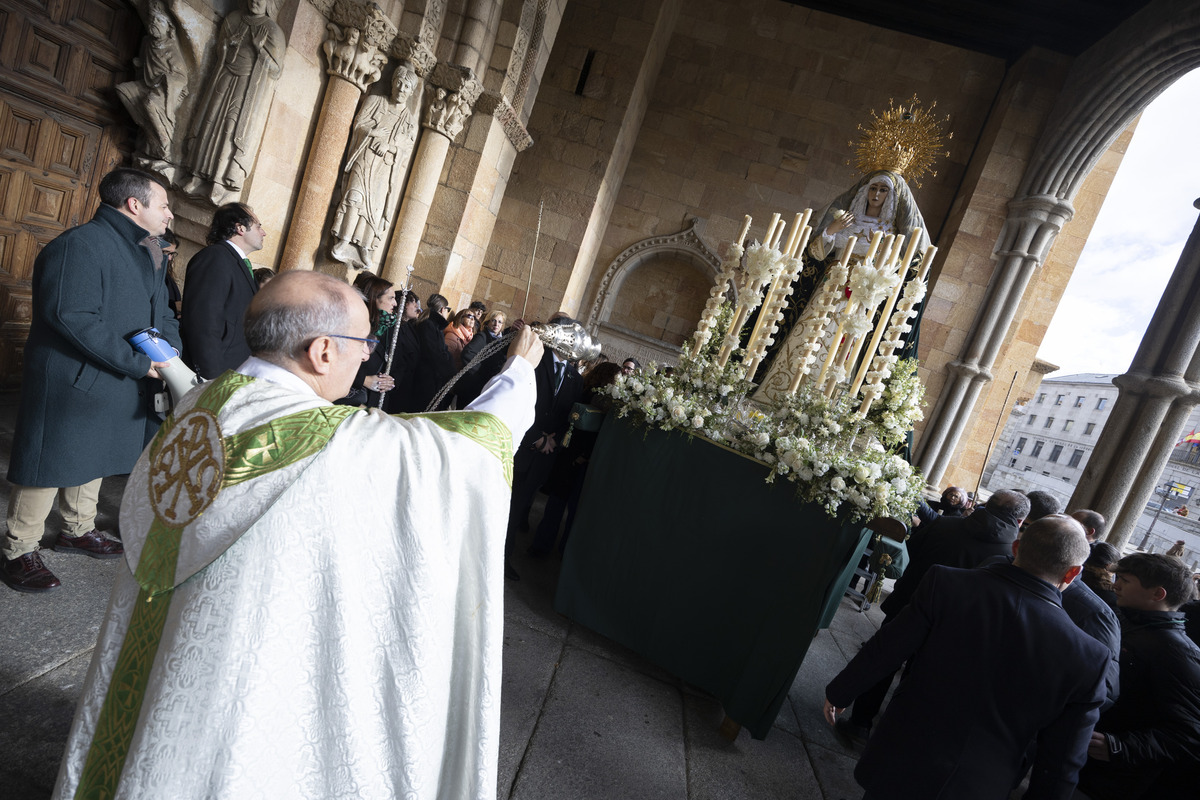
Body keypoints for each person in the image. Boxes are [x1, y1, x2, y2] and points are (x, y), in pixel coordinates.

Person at [50, 271, 541, 800]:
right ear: (323, 351)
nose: (368, 356)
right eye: (365, 343)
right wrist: (518, 371)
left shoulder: (203, 400)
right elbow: (472, 450)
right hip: (230, 677)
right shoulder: (333, 443)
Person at [825, 515, 1108, 800]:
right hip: (981, 781)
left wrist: (840, 692)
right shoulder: (1090, 656)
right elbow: (1062, 761)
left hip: (906, 749)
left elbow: (888, 647)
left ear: (1016, 547)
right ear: (1073, 573)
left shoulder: (946, 583)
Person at [2, 167, 178, 593]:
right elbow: (71, 315)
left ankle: (76, 529)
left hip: (116, 376)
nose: (171, 214)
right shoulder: (80, 244)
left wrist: (170, 354)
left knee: (93, 453)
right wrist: (137, 363)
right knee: (50, 461)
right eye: (165, 205)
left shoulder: (146, 249)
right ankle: (18, 549)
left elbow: (164, 314)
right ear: (134, 205)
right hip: (74, 379)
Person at [833, 488, 1031, 744]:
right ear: (1019, 522)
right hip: (952, 628)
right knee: (918, 680)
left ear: (985, 505)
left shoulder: (945, 525)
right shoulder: (1011, 556)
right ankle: (893, 735)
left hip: (909, 605)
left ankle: (859, 724)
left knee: (883, 662)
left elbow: (909, 554)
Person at [754, 169, 930, 402]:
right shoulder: (845, 220)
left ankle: (822, 404)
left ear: (892, 196)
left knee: (843, 347)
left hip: (858, 296)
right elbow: (816, 254)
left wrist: (877, 261)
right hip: (829, 288)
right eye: (873, 188)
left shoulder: (891, 233)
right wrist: (831, 230)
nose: (876, 194)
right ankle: (779, 392)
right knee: (809, 337)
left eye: (883, 190)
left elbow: (897, 269)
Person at [1077, 553, 1200, 799]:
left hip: (1110, 778)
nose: (1115, 585)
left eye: (1124, 580)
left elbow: (1190, 733)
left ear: (1158, 594)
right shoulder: (1122, 620)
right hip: (1081, 757)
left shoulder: (1178, 652)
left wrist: (1120, 747)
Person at [506, 314, 583, 580]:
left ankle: (504, 556)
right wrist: (537, 437)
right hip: (520, 446)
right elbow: (516, 399)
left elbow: (568, 416)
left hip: (543, 457)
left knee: (520, 507)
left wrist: (552, 440)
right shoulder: (533, 361)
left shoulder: (575, 378)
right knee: (504, 504)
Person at [180, 202, 264, 379]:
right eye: (258, 226)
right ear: (240, 227)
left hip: (232, 372)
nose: (263, 233)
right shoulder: (215, 257)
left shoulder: (236, 262)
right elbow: (203, 321)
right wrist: (211, 377)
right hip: (214, 375)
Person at [335, 276, 397, 407]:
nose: (395, 304)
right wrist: (363, 380)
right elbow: (335, 362)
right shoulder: (350, 324)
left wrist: (387, 382)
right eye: (391, 298)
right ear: (375, 298)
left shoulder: (384, 328)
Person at [160, 229, 182, 319]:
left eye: (172, 253)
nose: (169, 258)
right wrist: (175, 306)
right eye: (165, 252)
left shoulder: (166, 273)